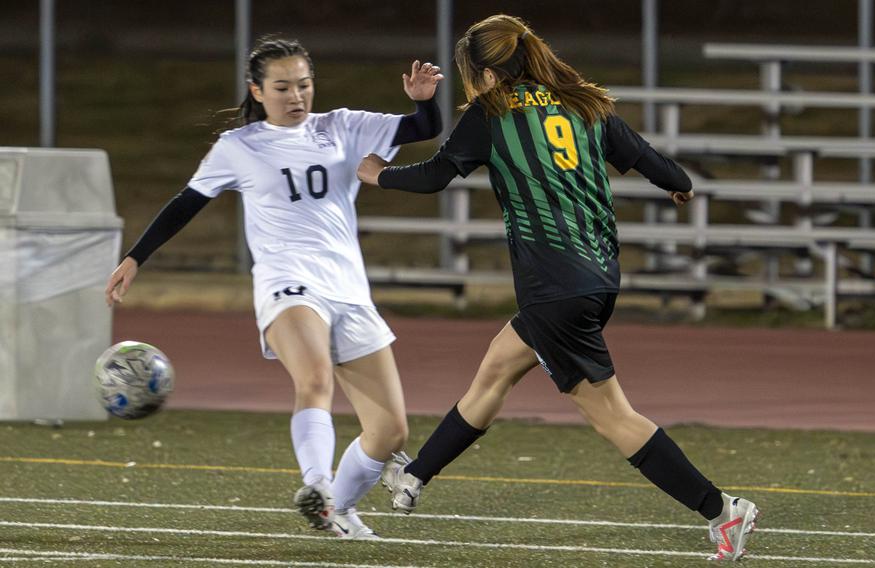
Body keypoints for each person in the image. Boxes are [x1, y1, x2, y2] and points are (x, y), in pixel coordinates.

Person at [357, 15, 759, 561]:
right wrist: (679, 185)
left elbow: (435, 176)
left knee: (613, 416)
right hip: (595, 278)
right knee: (499, 366)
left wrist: (378, 173)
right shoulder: (582, 102)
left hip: (553, 285)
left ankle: (722, 511)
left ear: (487, 73)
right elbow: (651, 161)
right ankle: (414, 478)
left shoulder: (491, 114)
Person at [105, 36, 444, 540]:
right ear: (257, 90)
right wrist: (136, 256)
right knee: (313, 380)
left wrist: (423, 99)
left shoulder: (343, 127)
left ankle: (339, 510)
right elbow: (186, 203)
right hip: (287, 283)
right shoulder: (238, 147)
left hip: (348, 288)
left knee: (391, 428)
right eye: (282, 86)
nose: (296, 95)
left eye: (304, 84)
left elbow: (425, 127)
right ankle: (317, 486)